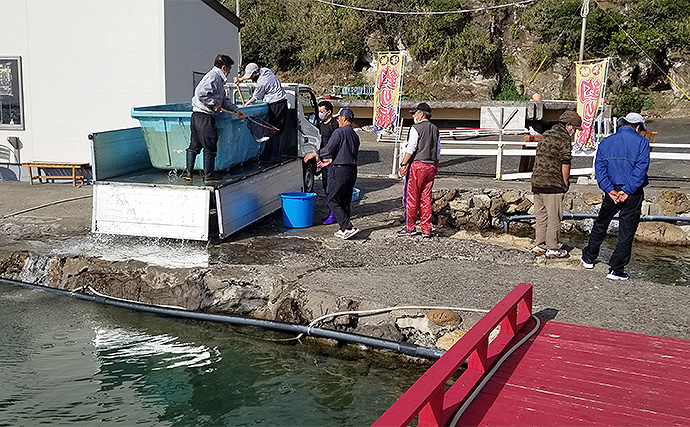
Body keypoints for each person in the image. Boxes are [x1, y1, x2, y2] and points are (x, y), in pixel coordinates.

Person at [581, 112, 650, 280]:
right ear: (638, 127)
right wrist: (627, 191)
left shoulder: (606, 142)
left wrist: (609, 189)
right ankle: (616, 269)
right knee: (626, 230)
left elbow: (600, 169)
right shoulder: (642, 142)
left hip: (611, 191)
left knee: (601, 223)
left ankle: (589, 256)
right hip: (632, 193)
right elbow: (640, 170)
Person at [184, 54, 245, 184]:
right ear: (224, 67)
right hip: (205, 116)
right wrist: (213, 104)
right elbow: (201, 94)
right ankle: (209, 175)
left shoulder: (217, 79)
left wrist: (235, 109)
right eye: (229, 69)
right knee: (210, 144)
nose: (229, 72)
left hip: (196, 116)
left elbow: (223, 100)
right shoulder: (214, 77)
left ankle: (188, 173)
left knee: (195, 144)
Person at [530, 110, 581, 258]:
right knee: (554, 217)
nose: (574, 132)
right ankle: (553, 248)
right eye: (574, 129)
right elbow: (565, 163)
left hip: (537, 182)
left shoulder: (546, 134)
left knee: (541, 217)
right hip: (553, 183)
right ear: (568, 125)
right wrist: (566, 183)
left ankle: (540, 246)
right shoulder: (563, 138)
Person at [303, 108, 360, 240]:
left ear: (344, 118)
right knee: (345, 200)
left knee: (333, 200)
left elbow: (329, 148)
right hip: (351, 169)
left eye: (339, 117)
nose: (338, 119)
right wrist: (330, 161)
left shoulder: (339, 132)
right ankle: (343, 228)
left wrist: (314, 153)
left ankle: (348, 227)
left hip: (340, 170)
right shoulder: (354, 135)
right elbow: (345, 152)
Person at [398, 102, 441, 238]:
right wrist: (436, 165)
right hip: (431, 166)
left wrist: (403, 164)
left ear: (421, 113)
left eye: (415, 113)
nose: (413, 115)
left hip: (418, 166)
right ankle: (426, 229)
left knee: (412, 198)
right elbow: (438, 149)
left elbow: (411, 148)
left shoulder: (415, 128)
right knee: (426, 198)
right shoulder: (435, 129)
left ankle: (410, 227)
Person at [234, 63, 287, 164]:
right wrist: (240, 79)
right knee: (274, 129)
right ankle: (273, 155)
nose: (251, 78)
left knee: (274, 130)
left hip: (277, 105)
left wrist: (245, 105)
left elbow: (255, 98)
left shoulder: (263, 82)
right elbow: (251, 76)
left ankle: (274, 156)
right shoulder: (266, 71)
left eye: (252, 76)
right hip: (280, 103)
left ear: (256, 72)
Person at [317, 100, 340, 225]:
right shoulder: (321, 124)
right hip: (323, 158)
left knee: (332, 187)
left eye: (322, 111)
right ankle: (331, 212)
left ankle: (334, 214)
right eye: (319, 111)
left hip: (332, 159)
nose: (320, 113)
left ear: (329, 112)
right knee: (326, 186)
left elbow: (337, 143)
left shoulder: (334, 124)